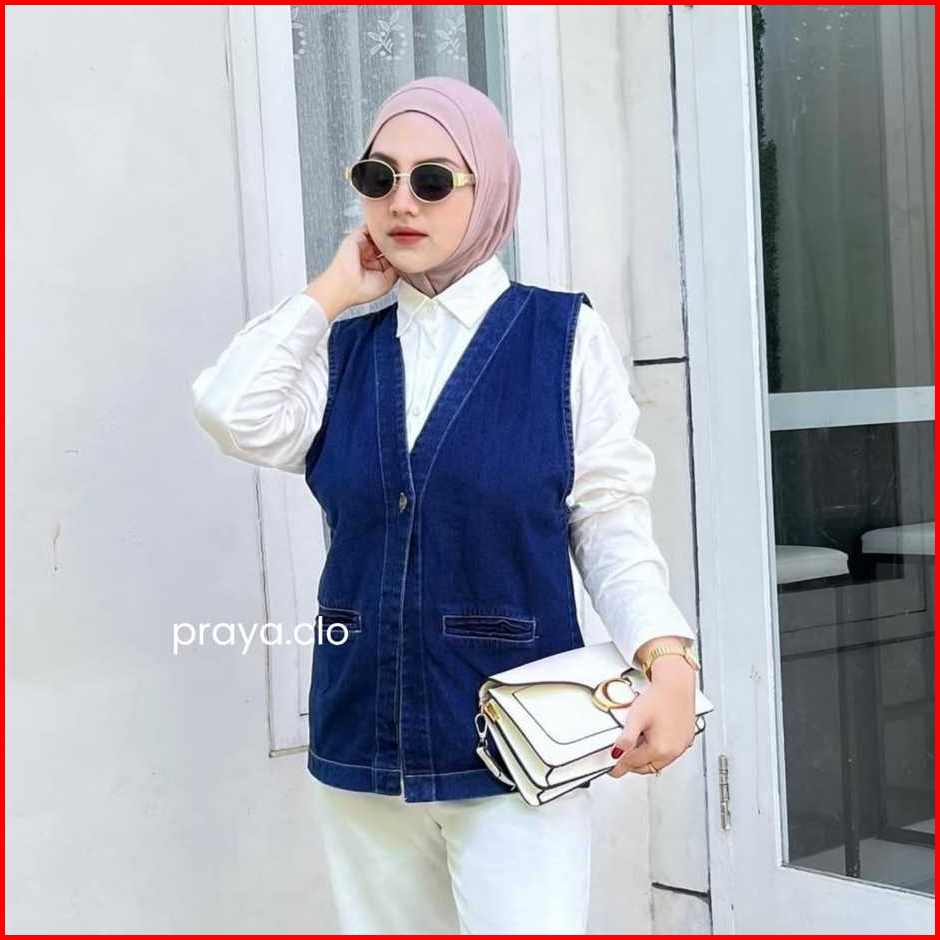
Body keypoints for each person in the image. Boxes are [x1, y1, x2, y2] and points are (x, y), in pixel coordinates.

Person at [192, 76, 700, 935]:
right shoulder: (341, 352)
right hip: (363, 747)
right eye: (377, 177)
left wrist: (669, 659)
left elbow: (608, 521)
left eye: (432, 180)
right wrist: (331, 291)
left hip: (517, 750)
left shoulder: (560, 339)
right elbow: (230, 413)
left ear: (488, 187)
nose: (401, 201)